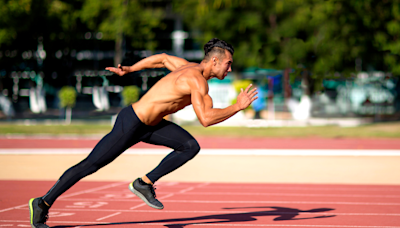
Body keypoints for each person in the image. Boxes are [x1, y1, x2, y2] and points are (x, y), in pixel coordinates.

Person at [28, 38, 258, 228]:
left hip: (151, 126)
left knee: (190, 146)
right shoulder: (196, 80)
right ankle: (43, 203)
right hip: (132, 123)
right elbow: (206, 119)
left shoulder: (187, 66)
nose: (229, 68)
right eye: (228, 64)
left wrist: (131, 68)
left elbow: (162, 58)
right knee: (90, 165)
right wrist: (237, 107)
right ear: (215, 60)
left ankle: (144, 183)